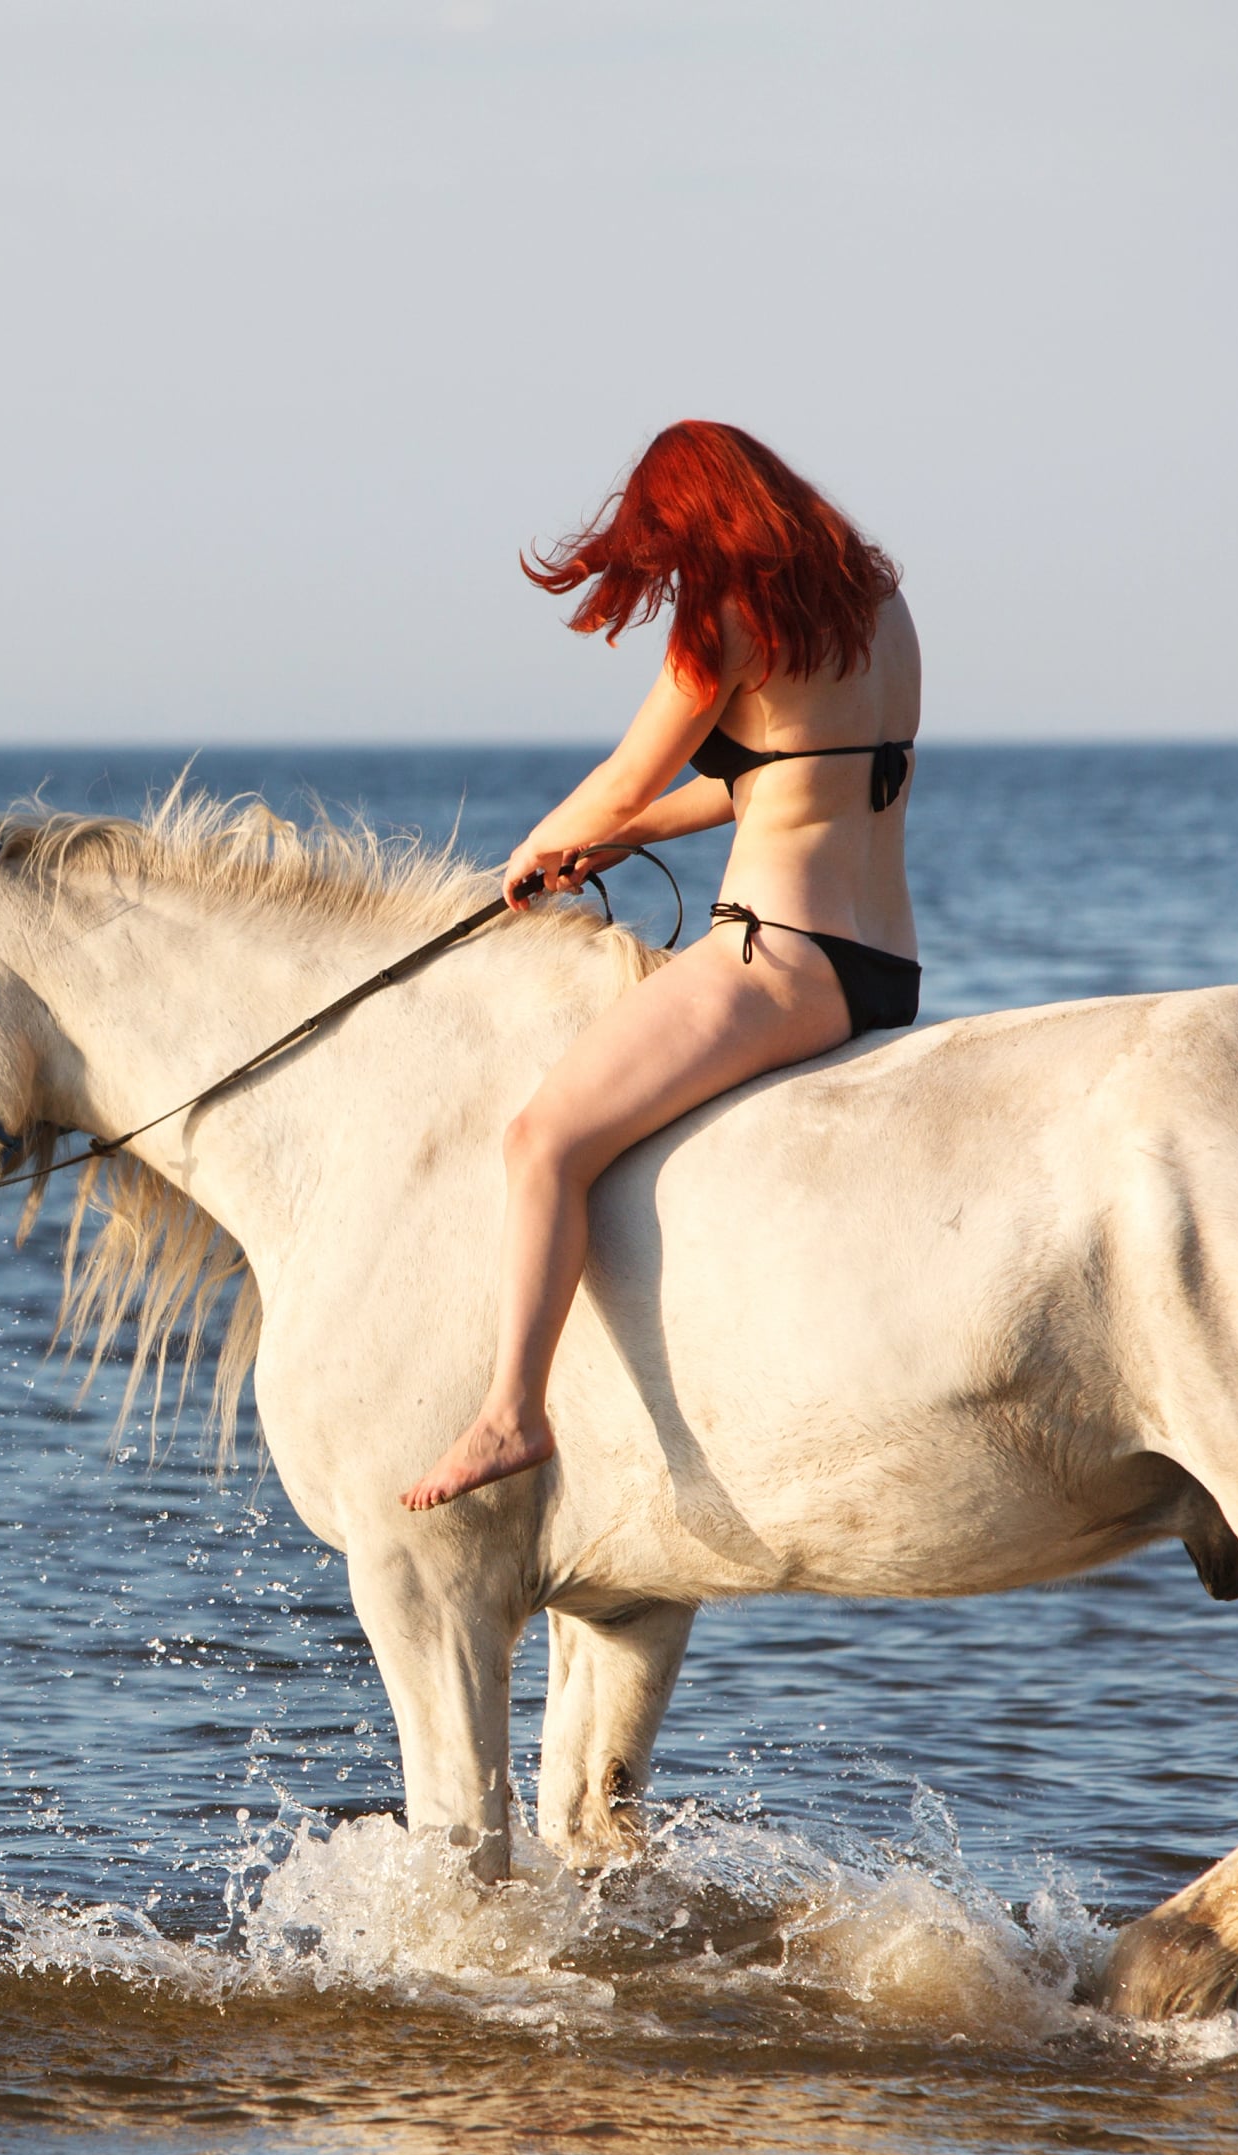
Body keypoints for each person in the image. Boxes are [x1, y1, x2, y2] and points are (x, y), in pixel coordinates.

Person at [402, 421, 923, 1512]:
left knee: (543, 1142)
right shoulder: (877, 608)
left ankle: (511, 1413)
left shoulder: (727, 618)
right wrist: (623, 842)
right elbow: (778, 780)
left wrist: (537, 848)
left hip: (774, 955)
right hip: (879, 960)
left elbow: (622, 777)